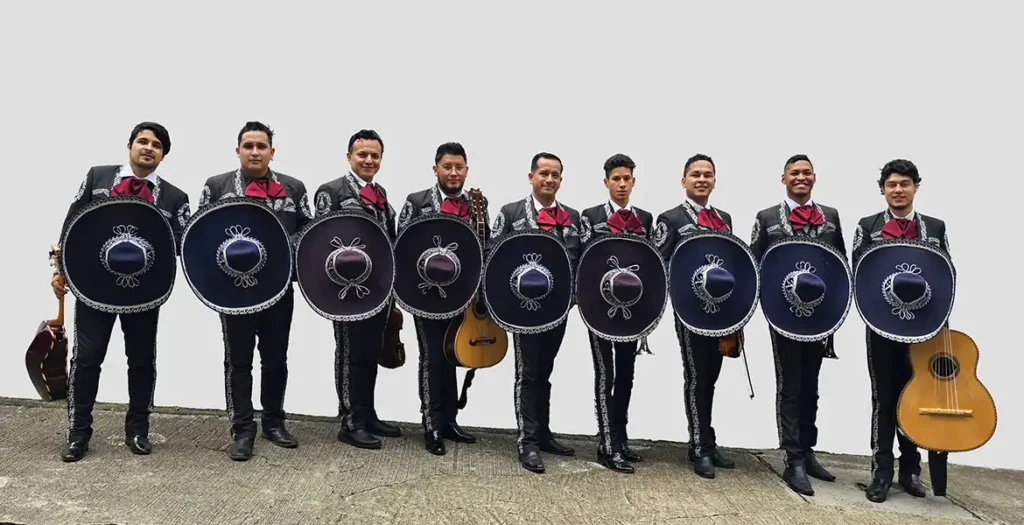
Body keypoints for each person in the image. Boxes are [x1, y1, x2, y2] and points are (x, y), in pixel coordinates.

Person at [55, 121, 191, 462]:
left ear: (163, 155)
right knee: (86, 360)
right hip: (92, 286)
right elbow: (71, 225)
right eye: (142, 141)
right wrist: (60, 272)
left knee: (142, 361)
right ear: (129, 145)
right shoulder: (98, 177)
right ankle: (78, 433)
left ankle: (138, 431)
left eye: (156, 145)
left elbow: (182, 243)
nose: (148, 148)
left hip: (143, 292)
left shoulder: (176, 198)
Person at [197, 121, 314, 460]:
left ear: (272, 152)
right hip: (234, 291)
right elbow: (199, 235)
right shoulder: (216, 186)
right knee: (238, 361)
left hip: (279, 289)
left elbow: (310, 234)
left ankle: (274, 422)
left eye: (261, 146)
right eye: (248, 145)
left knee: (276, 358)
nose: (254, 151)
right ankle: (242, 429)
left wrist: (281, 248)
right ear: (238, 150)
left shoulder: (294, 188)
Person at [852, 158, 952, 503]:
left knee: (917, 394)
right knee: (883, 398)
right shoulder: (867, 227)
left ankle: (911, 470)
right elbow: (858, 276)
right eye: (892, 184)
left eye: (904, 184)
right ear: (883, 190)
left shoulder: (935, 228)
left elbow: (946, 278)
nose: (898, 190)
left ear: (915, 188)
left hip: (922, 331)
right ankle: (881, 471)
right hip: (881, 327)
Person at [749, 154, 845, 496]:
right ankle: (792, 460)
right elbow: (753, 265)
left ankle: (808, 450)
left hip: (820, 317)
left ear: (814, 178)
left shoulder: (831, 217)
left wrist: (837, 312)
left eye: (806, 172)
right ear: (783, 178)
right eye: (794, 173)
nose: (800, 177)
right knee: (790, 384)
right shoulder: (765, 218)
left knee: (812, 385)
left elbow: (840, 265)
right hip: (783, 315)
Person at [393, 142, 491, 455]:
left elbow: (484, 246)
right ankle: (431, 423)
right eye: (447, 167)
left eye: (458, 167)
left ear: (466, 170)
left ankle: (449, 420)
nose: (453, 172)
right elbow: (402, 247)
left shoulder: (478, 202)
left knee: (453, 355)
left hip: (462, 295)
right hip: (426, 294)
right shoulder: (417, 202)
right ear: (436, 169)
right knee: (432, 356)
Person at [312, 129, 402, 450]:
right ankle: (350, 422)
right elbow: (321, 241)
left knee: (369, 352)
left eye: (374, 155)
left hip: (378, 290)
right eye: (362, 154)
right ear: (349, 156)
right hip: (346, 291)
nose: (368, 160)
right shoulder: (331, 192)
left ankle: (368, 413)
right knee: (350, 353)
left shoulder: (381, 193)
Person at [492, 152, 581, 473]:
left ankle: (543, 434)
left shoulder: (573, 218)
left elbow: (580, 261)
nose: (549, 179)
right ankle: (526, 441)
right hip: (523, 309)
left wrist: (573, 298)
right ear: (531, 176)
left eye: (555, 174)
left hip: (558, 310)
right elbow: (494, 256)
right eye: (543, 173)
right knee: (528, 374)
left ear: (561, 180)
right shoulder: (511, 213)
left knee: (545, 370)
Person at [652, 153, 740, 479]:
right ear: (684, 180)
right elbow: (659, 263)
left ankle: (707, 439)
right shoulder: (670, 218)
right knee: (696, 376)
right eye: (695, 174)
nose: (702, 179)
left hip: (721, 314)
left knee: (712, 377)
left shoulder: (725, 219)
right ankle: (699, 445)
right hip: (690, 312)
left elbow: (734, 263)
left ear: (714, 180)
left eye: (708, 175)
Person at [578, 153, 654, 473]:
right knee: (604, 374)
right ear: (606, 182)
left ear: (633, 181)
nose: (622, 184)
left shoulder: (647, 219)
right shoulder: (590, 216)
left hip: (632, 312)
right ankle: (607, 445)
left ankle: (620, 438)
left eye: (627, 179)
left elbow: (652, 265)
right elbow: (583, 261)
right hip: (598, 309)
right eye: (616, 179)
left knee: (626, 375)